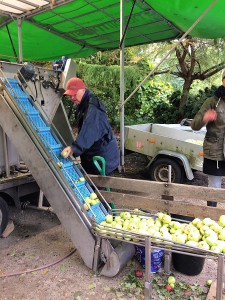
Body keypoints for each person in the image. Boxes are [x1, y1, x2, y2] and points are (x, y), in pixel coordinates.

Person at [61, 77, 119, 175]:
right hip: (92, 155)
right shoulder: (83, 103)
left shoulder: (93, 107)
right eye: (70, 95)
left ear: (83, 90)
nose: (72, 97)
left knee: (98, 187)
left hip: (102, 157)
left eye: (74, 94)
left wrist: (74, 148)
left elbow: (90, 130)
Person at [191, 70, 225, 207]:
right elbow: (194, 125)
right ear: (223, 80)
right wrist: (205, 118)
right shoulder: (211, 102)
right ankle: (211, 216)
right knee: (214, 187)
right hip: (215, 152)